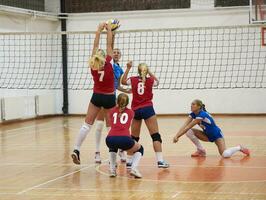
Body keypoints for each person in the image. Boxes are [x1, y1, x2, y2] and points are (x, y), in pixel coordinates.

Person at [71, 22, 115, 165]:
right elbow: (109, 45)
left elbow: (95, 46)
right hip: (109, 97)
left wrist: (98, 30)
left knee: (87, 124)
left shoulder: (93, 64)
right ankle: (112, 155)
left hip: (96, 96)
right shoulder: (109, 61)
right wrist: (109, 30)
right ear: (105, 56)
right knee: (110, 127)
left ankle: (76, 149)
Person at [122, 62, 169, 168]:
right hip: (147, 108)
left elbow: (123, 81)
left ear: (138, 71)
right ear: (146, 71)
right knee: (155, 136)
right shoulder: (150, 80)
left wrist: (128, 68)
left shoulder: (133, 79)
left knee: (134, 138)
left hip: (135, 110)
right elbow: (157, 82)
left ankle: (129, 162)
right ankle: (160, 161)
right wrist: (149, 72)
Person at [173, 99, 250, 158]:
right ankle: (201, 151)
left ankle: (239, 147)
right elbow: (185, 125)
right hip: (206, 135)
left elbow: (188, 126)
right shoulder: (193, 114)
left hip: (217, 135)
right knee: (189, 132)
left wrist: (178, 136)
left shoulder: (202, 115)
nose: (191, 106)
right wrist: (176, 135)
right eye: (191, 104)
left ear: (199, 106)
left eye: (193, 104)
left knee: (225, 154)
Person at [94, 47, 130, 164]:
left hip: (112, 98)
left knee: (116, 126)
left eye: (118, 53)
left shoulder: (119, 68)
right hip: (101, 95)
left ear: (120, 56)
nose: (115, 54)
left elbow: (117, 85)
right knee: (99, 124)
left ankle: (119, 150)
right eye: (114, 52)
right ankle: (97, 153)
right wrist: (112, 33)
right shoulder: (105, 63)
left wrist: (126, 90)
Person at [106, 93, 144, 178]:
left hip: (110, 138)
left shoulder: (111, 111)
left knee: (113, 146)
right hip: (125, 139)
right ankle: (134, 168)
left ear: (116, 101)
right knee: (140, 148)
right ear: (127, 103)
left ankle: (112, 170)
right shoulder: (131, 112)